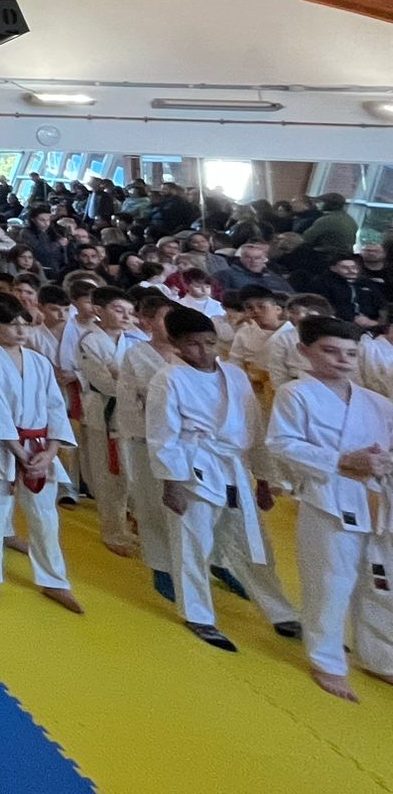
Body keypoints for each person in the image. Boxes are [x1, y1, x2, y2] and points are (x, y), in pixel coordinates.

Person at [147, 306, 301, 652]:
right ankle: (198, 615)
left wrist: (263, 478)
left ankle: (281, 612)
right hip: (193, 469)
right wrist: (170, 484)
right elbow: (162, 436)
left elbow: (254, 429)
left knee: (253, 544)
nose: (203, 351)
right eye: (193, 345)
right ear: (175, 344)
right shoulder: (168, 379)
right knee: (192, 545)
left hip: (234, 469)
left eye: (210, 342)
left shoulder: (235, 374)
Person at [266, 317, 393, 700]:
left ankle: (382, 658)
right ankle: (327, 661)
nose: (342, 360)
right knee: (330, 583)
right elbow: (281, 444)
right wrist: (342, 460)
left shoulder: (377, 402)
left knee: (383, 584)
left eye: (350, 353)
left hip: (378, 501)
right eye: (331, 351)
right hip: (328, 500)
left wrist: (382, 461)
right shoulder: (295, 394)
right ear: (305, 351)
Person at [0, 292, 81, 612]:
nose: (20, 331)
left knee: (46, 518)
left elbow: (56, 408)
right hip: (1, 447)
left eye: (24, 325)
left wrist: (51, 452)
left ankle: (54, 580)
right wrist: (18, 452)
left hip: (40, 448)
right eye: (11, 325)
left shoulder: (39, 362)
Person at [117, 290, 180, 597]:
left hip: (188, 442)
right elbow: (129, 401)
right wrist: (139, 435)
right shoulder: (136, 355)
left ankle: (212, 561)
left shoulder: (190, 353)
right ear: (148, 322)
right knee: (152, 503)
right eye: (165, 319)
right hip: (147, 438)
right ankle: (161, 565)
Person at [77, 286, 144, 557]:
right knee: (110, 475)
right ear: (98, 311)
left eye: (130, 311)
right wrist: (131, 383)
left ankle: (136, 520)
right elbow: (104, 382)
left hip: (133, 416)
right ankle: (113, 532)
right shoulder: (89, 341)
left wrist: (122, 376)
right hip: (103, 414)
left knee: (135, 473)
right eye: (118, 310)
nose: (126, 316)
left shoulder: (135, 340)